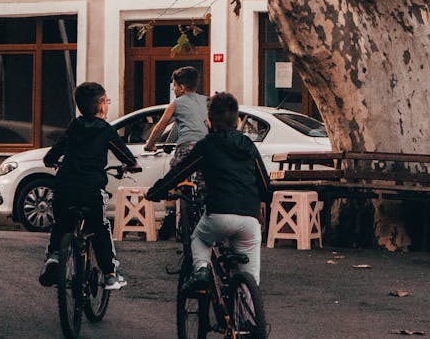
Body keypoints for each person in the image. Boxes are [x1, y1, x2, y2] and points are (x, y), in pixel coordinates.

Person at [145, 91, 271, 289]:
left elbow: (179, 172)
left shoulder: (206, 146)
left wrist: (155, 192)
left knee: (200, 239)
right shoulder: (247, 144)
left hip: (219, 214)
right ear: (237, 120)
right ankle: (251, 316)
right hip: (249, 218)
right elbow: (264, 181)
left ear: (209, 121)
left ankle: (202, 270)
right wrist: (262, 202)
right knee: (250, 278)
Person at [38, 81, 139, 290]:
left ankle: (54, 257)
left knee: (61, 221)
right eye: (107, 101)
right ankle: (110, 273)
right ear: (102, 104)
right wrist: (131, 165)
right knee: (99, 227)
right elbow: (126, 156)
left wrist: (52, 161)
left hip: (65, 185)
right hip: (91, 188)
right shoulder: (105, 130)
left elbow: (52, 154)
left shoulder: (73, 126)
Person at [144, 65, 208, 240]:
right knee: (205, 183)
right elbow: (209, 124)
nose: (173, 89)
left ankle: (170, 215)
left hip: (186, 147)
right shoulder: (205, 101)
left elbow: (161, 126)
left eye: (173, 85)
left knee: (173, 176)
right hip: (205, 148)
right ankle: (205, 213)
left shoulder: (176, 103)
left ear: (181, 86)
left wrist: (149, 145)